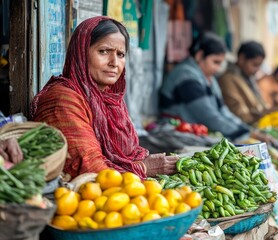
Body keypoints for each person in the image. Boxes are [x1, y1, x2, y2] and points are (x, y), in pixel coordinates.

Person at [31, 17, 178, 180]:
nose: (114, 62)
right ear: (81, 52)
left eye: (121, 54)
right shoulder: (62, 99)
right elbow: (89, 168)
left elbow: (128, 154)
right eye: (103, 51)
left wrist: (144, 163)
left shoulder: (111, 100)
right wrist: (143, 167)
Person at [159, 33, 270, 142]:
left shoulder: (208, 77)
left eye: (220, 63)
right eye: (215, 62)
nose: (218, 68)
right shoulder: (185, 75)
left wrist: (247, 131)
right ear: (199, 55)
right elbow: (208, 116)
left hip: (197, 132)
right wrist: (244, 134)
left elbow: (223, 111)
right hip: (175, 134)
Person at [219, 41, 278, 125]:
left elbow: (260, 106)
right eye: (254, 65)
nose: (257, 69)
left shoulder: (248, 78)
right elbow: (238, 114)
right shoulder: (227, 79)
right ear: (241, 59)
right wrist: (266, 113)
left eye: (259, 66)